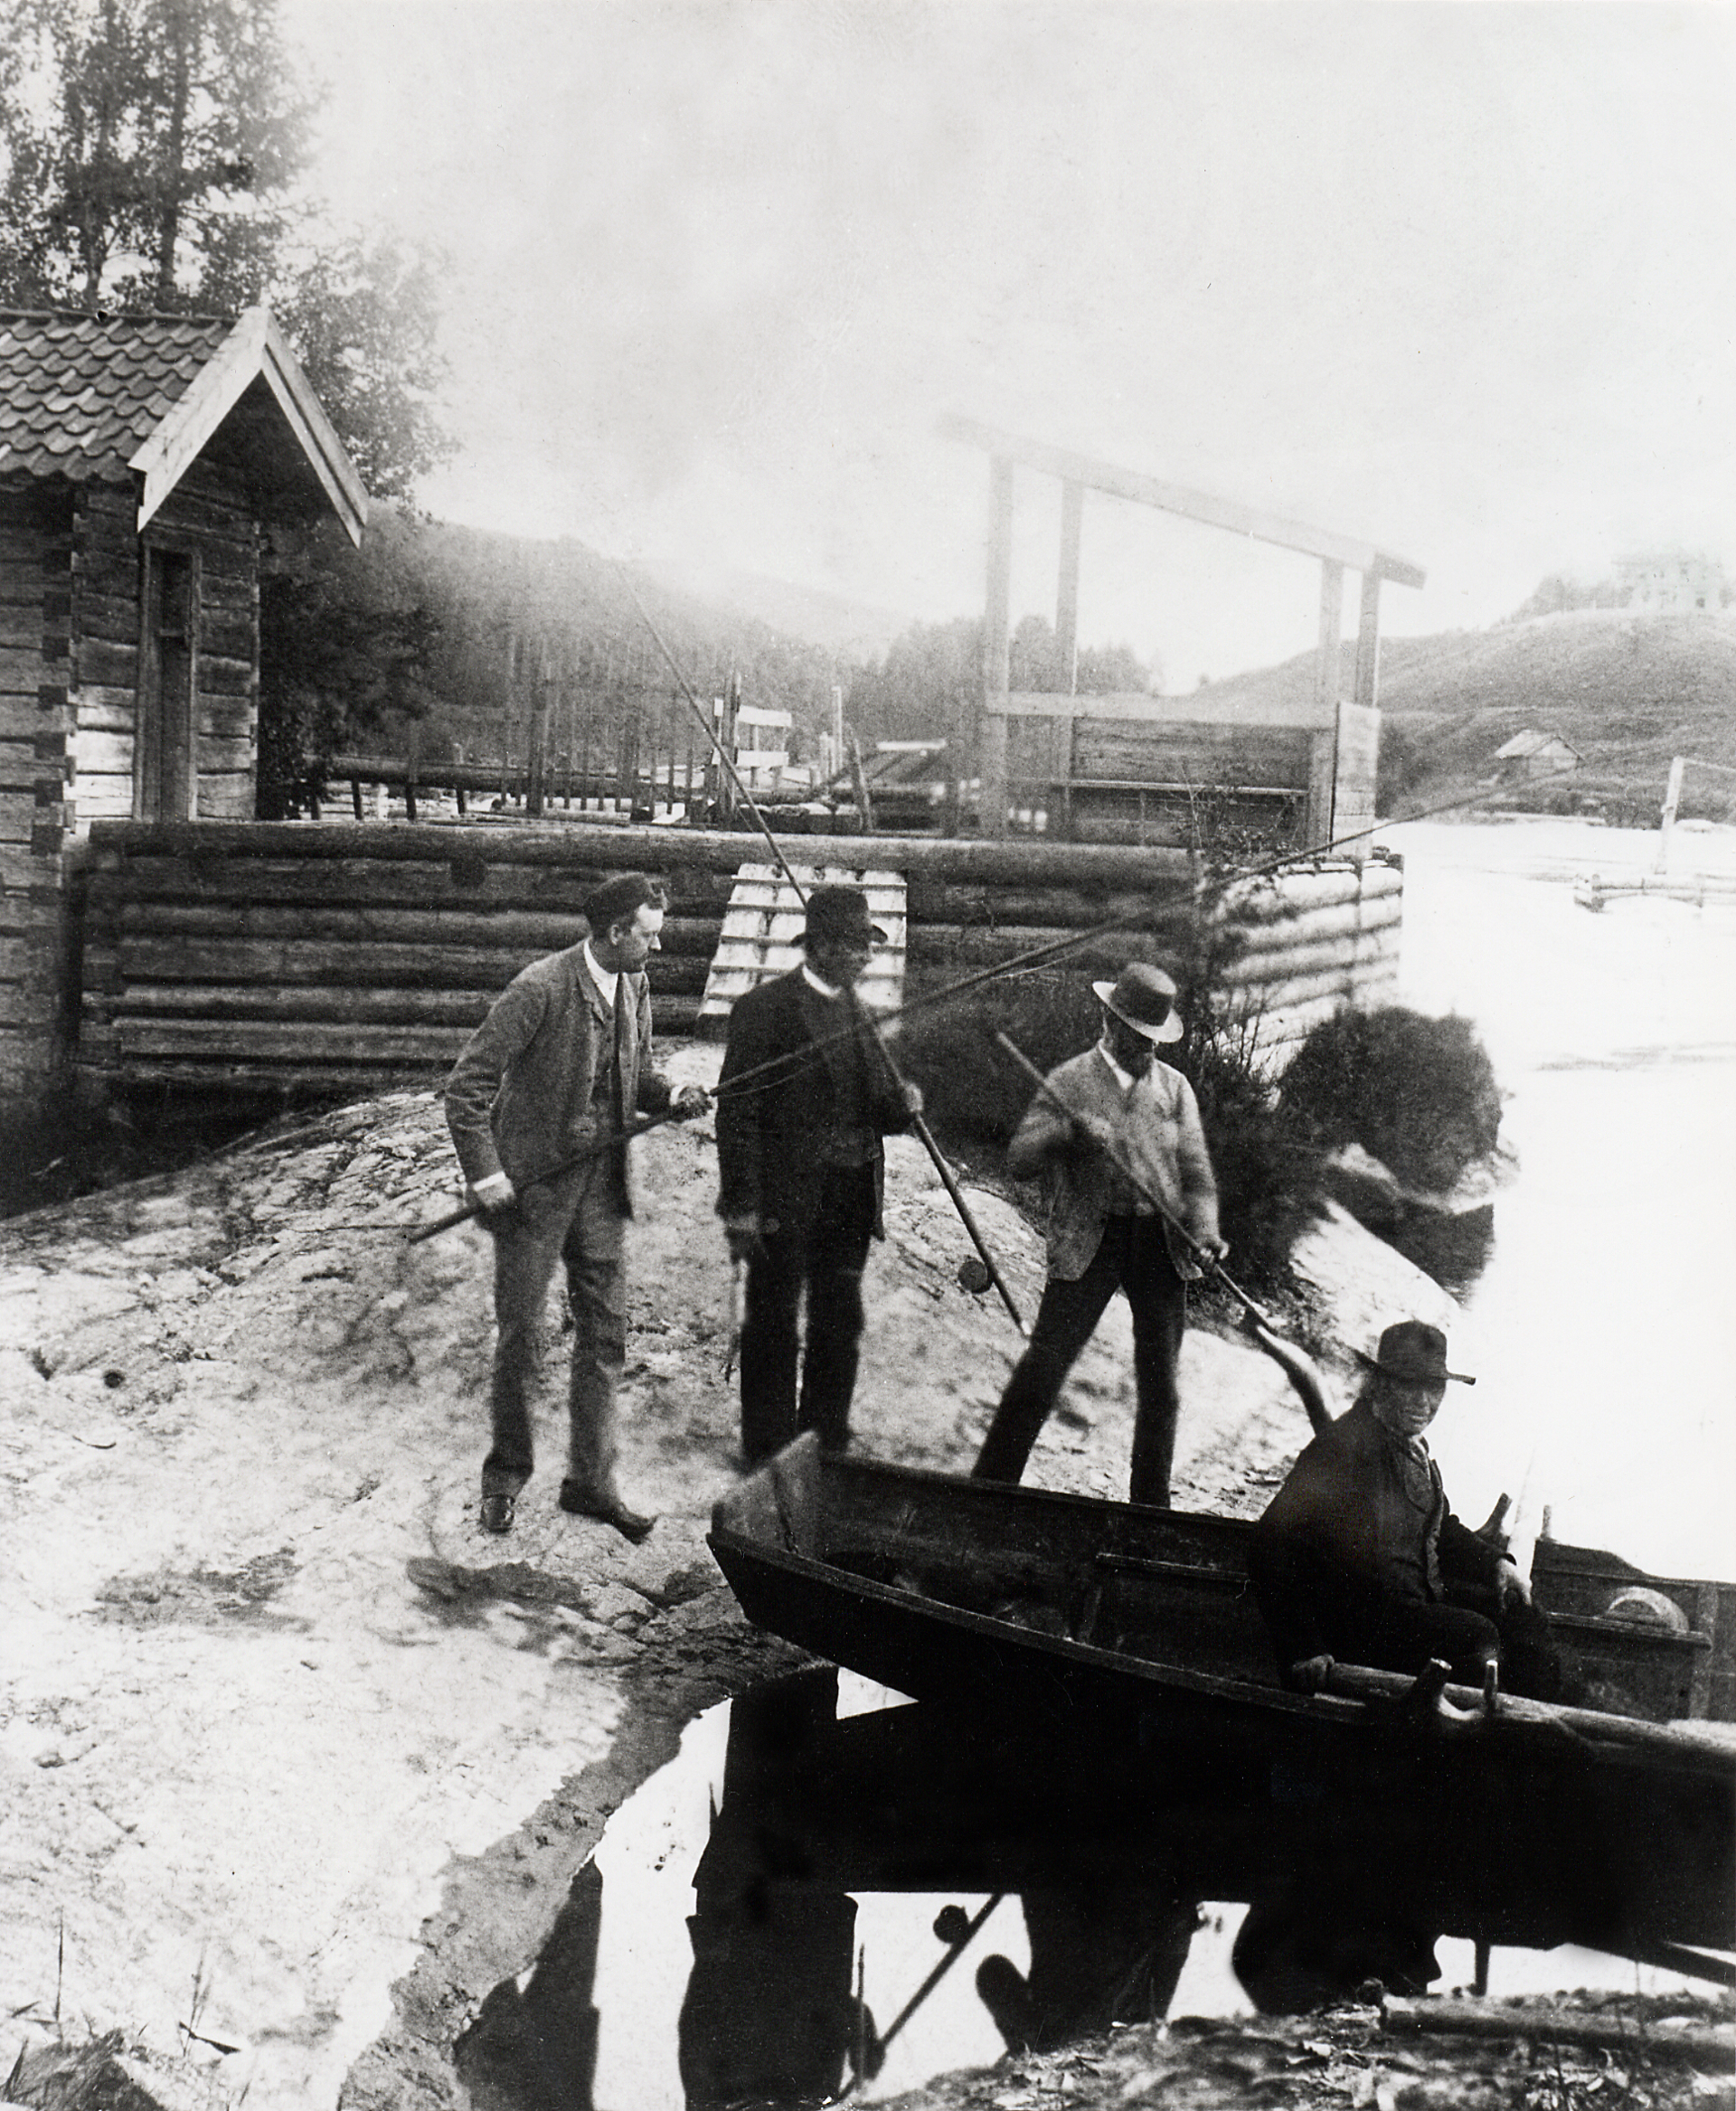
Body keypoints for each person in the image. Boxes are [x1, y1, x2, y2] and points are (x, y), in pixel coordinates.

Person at [445, 872, 707, 1539]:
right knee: (523, 1336)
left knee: (605, 1335)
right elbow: (466, 1087)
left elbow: (637, 1077)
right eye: (648, 933)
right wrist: (486, 1174)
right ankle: (504, 1476)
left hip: (601, 1188)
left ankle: (591, 1482)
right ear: (616, 932)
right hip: (531, 1193)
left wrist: (670, 1095)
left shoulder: (635, 984)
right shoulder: (540, 987)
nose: (658, 945)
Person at [971, 962, 1225, 1508]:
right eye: (1135, 1033)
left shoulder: (1175, 1090)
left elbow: (1199, 1179)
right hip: (1092, 1239)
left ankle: (1150, 1512)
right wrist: (1067, 1134)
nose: (1143, 1047)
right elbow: (1018, 1161)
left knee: (1162, 1390)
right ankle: (986, 1497)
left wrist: (1205, 1231)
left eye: (1153, 1038)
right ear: (1109, 1019)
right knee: (1045, 1368)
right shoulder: (1069, 1081)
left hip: (1161, 1244)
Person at [1248, 1319, 1566, 1701]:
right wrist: (1304, 1648)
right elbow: (1269, 1545)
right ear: (1381, 1384)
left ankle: (1543, 1716)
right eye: (1409, 1385)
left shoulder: (1414, 1450)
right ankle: (1475, 1736)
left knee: (1521, 1613)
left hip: (1412, 1609)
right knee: (1477, 1636)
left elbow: (1441, 1529)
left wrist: (1498, 1563)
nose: (1423, 1402)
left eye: (1434, 1388)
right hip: (1358, 1627)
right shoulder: (1342, 1449)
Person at [714, 885, 920, 1467]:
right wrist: (742, 1203)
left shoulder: (862, 1013)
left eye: (867, 946)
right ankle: (766, 1449)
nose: (866, 957)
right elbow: (738, 1112)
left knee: (839, 1317)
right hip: (788, 1192)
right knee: (775, 1318)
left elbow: (877, 1105)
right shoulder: (765, 1010)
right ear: (822, 946)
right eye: (856, 946)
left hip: (850, 1194)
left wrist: (903, 1104)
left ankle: (824, 1437)